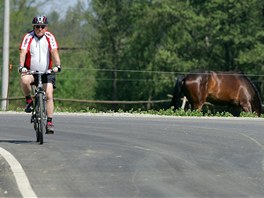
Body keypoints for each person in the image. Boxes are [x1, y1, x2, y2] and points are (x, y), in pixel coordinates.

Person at [18, 15, 61, 134]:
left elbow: (54, 51)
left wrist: (58, 65)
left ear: (46, 27)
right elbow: (23, 51)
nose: (40, 29)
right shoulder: (28, 37)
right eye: (37, 26)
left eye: (42, 26)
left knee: (48, 94)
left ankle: (50, 122)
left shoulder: (49, 37)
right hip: (31, 71)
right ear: (34, 27)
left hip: (46, 71)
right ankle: (28, 101)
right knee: (24, 80)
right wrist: (21, 66)